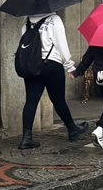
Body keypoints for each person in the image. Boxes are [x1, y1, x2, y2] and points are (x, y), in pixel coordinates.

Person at [19, 13, 90, 149]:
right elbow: (61, 44)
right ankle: (72, 128)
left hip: (32, 65)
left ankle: (26, 138)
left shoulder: (27, 21)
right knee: (58, 100)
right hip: (51, 64)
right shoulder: (54, 20)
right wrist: (69, 66)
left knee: (31, 101)